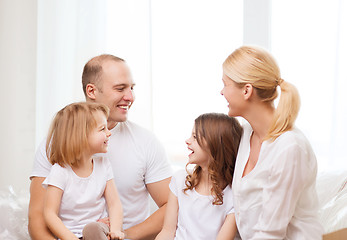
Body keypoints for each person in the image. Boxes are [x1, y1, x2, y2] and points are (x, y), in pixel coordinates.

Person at [28, 54, 172, 240]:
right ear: (92, 91)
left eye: (132, 88)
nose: (130, 97)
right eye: (120, 88)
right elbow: (38, 219)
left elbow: (172, 205)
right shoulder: (56, 144)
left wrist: (122, 235)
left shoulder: (146, 142)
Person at [220, 45, 324, 239]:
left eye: (225, 84)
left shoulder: (290, 147)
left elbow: (271, 233)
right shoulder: (247, 132)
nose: (221, 92)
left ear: (246, 90)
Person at [43, 102, 124, 240]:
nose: (109, 133)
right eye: (102, 129)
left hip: (100, 231)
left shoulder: (103, 164)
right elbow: (50, 213)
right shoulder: (60, 171)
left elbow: (114, 203)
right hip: (72, 236)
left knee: (92, 229)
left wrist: (115, 231)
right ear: (81, 136)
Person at [155, 113, 243, 240]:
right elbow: (167, 231)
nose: (187, 140)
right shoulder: (180, 180)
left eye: (195, 137)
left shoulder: (234, 195)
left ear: (215, 145)